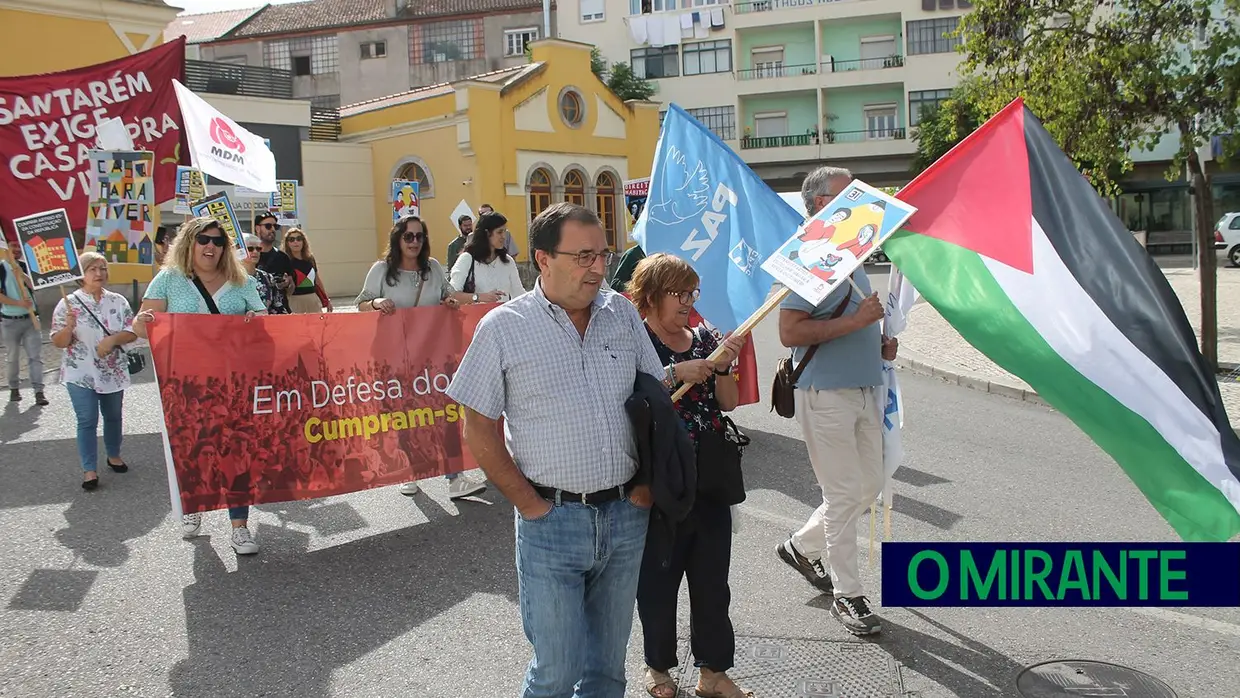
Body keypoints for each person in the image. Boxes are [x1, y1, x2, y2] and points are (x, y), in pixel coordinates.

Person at [448, 202, 664, 698]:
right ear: (543, 259)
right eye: (583, 255)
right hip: (552, 522)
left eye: (602, 254)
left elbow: (654, 399)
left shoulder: (622, 313)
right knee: (557, 672)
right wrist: (530, 504)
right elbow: (478, 425)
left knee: (607, 673)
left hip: (627, 515)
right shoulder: (504, 327)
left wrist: (647, 485)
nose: (598, 267)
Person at [775, 165, 897, 636]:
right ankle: (849, 595)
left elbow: (856, 319)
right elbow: (789, 331)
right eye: (850, 193)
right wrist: (857, 322)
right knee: (845, 494)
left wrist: (880, 341)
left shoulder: (854, 254)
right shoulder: (810, 257)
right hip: (825, 394)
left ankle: (801, 546)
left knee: (868, 486)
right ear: (823, 205)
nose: (861, 200)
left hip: (866, 387)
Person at [628, 253, 750, 698]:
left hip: (711, 477)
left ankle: (713, 671)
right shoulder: (637, 340)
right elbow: (628, 398)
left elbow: (729, 402)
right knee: (659, 580)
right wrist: (674, 373)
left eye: (691, 293)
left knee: (713, 581)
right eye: (678, 293)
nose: (686, 302)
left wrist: (721, 367)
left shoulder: (704, 337)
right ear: (652, 295)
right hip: (662, 478)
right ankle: (658, 667)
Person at [133, 216, 268, 555]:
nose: (211, 246)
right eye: (204, 240)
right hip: (186, 386)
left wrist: (255, 323)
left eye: (218, 241)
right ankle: (194, 505)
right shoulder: (168, 280)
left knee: (237, 453)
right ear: (189, 243)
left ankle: (240, 527)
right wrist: (143, 322)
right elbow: (140, 326)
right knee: (194, 449)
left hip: (234, 383)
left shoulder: (242, 281)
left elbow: (266, 325)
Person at [355, 215, 486, 499]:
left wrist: (453, 302)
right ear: (397, 239)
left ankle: (455, 477)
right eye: (408, 236)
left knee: (446, 413)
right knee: (406, 416)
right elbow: (361, 304)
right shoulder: (381, 270)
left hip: (432, 358)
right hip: (394, 358)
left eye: (419, 236)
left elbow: (449, 295)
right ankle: (411, 471)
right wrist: (377, 302)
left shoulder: (434, 268)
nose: (415, 242)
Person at [49, 252, 138, 490]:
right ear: (82, 274)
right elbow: (58, 342)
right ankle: (89, 469)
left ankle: (113, 454)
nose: (99, 274)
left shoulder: (118, 301)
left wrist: (113, 340)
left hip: (112, 371)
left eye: (103, 268)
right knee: (87, 419)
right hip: (80, 372)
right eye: (92, 269)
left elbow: (133, 331)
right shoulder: (68, 303)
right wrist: (68, 328)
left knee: (113, 416)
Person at [449, 211, 526, 303]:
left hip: (503, 316)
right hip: (475, 316)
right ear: (486, 233)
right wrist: (478, 297)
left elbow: (519, 294)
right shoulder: (467, 259)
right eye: (499, 232)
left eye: (505, 231)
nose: (504, 236)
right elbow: (451, 294)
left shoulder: (508, 261)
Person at [0, 255, 47, 405]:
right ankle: (14, 388)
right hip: (9, 320)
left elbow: (36, 286)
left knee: (35, 357)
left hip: (31, 319)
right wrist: (18, 303)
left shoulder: (25, 266)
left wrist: (22, 274)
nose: (15, 250)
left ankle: (39, 391)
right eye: (12, 246)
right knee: (12, 357)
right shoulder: (1, 268)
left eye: (17, 246)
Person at [281, 227, 333, 314]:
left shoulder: (310, 259)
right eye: (291, 239)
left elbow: (317, 280)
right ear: (287, 243)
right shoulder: (284, 260)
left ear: (303, 241)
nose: (295, 242)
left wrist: (327, 299)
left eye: (299, 239)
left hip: (312, 300)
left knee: (316, 326)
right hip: (293, 301)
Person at [242, 234, 291, 314]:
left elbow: (278, 307)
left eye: (258, 249)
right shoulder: (229, 278)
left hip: (265, 324)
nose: (255, 252)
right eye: (250, 249)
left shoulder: (267, 277)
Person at [253, 211, 293, 300]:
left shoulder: (283, 257)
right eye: (268, 226)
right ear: (257, 228)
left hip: (280, 309)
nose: (273, 229)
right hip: (257, 310)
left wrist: (287, 284)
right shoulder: (250, 256)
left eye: (275, 226)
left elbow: (291, 290)